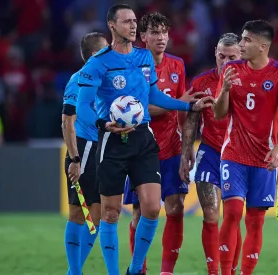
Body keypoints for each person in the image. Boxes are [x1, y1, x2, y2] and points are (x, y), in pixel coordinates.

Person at [76, 5, 213, 275]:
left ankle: (136, 268)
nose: (133, 26)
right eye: (127, 22)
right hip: (111, 140)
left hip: (143, 138)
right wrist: (105, 123)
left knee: (152, 208)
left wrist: (188, 107)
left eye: (135, 21)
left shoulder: (144, 58)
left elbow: (154, 97)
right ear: (112, 25)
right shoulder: (98, 63)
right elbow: (83, 106)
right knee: (111, 213)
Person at [213, 20, 278, 275]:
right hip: (234, 153)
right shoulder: (232, 69)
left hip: (264, 157)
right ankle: (226, 271)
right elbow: (219, 114)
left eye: (246, 40)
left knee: (255, 220)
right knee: (233, 212)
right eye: (242, 38)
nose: (241, 44)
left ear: (263, 46)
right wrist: (224, 90)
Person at [122, 12, 201, 275]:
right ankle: (139, 269)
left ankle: (167, 271)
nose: (161, 38)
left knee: (176, 207)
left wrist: (187, 144)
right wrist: (172, 105)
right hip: (140, 147)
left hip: (171, 146)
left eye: (165, 32)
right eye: (155, 32)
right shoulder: (132, 65)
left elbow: (182, 111)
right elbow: (135, 109)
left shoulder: (177, 65)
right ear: (142, 37)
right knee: (139, 212)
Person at [179, 33, 242, 275]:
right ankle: (213, 271)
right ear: (215, 52)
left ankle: (232, 269)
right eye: (221, 56)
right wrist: (186, 154)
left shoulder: (249, 82)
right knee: (211, 213)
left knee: (232, 216)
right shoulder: (203, 81)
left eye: (232, 57)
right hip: (210, 151)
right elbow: (191, 120)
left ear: (241, 55)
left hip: (239, 155)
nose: (226, 62)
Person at [62, 32, 108, 275]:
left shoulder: (106, 79)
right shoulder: (78, 79)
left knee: (99, 215)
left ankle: (74, 271)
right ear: (95, 54)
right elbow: (67, 122)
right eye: (106, 49)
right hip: (84, 148)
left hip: (101, 149)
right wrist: (74, 158)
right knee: (78, 212)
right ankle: (75, 271)